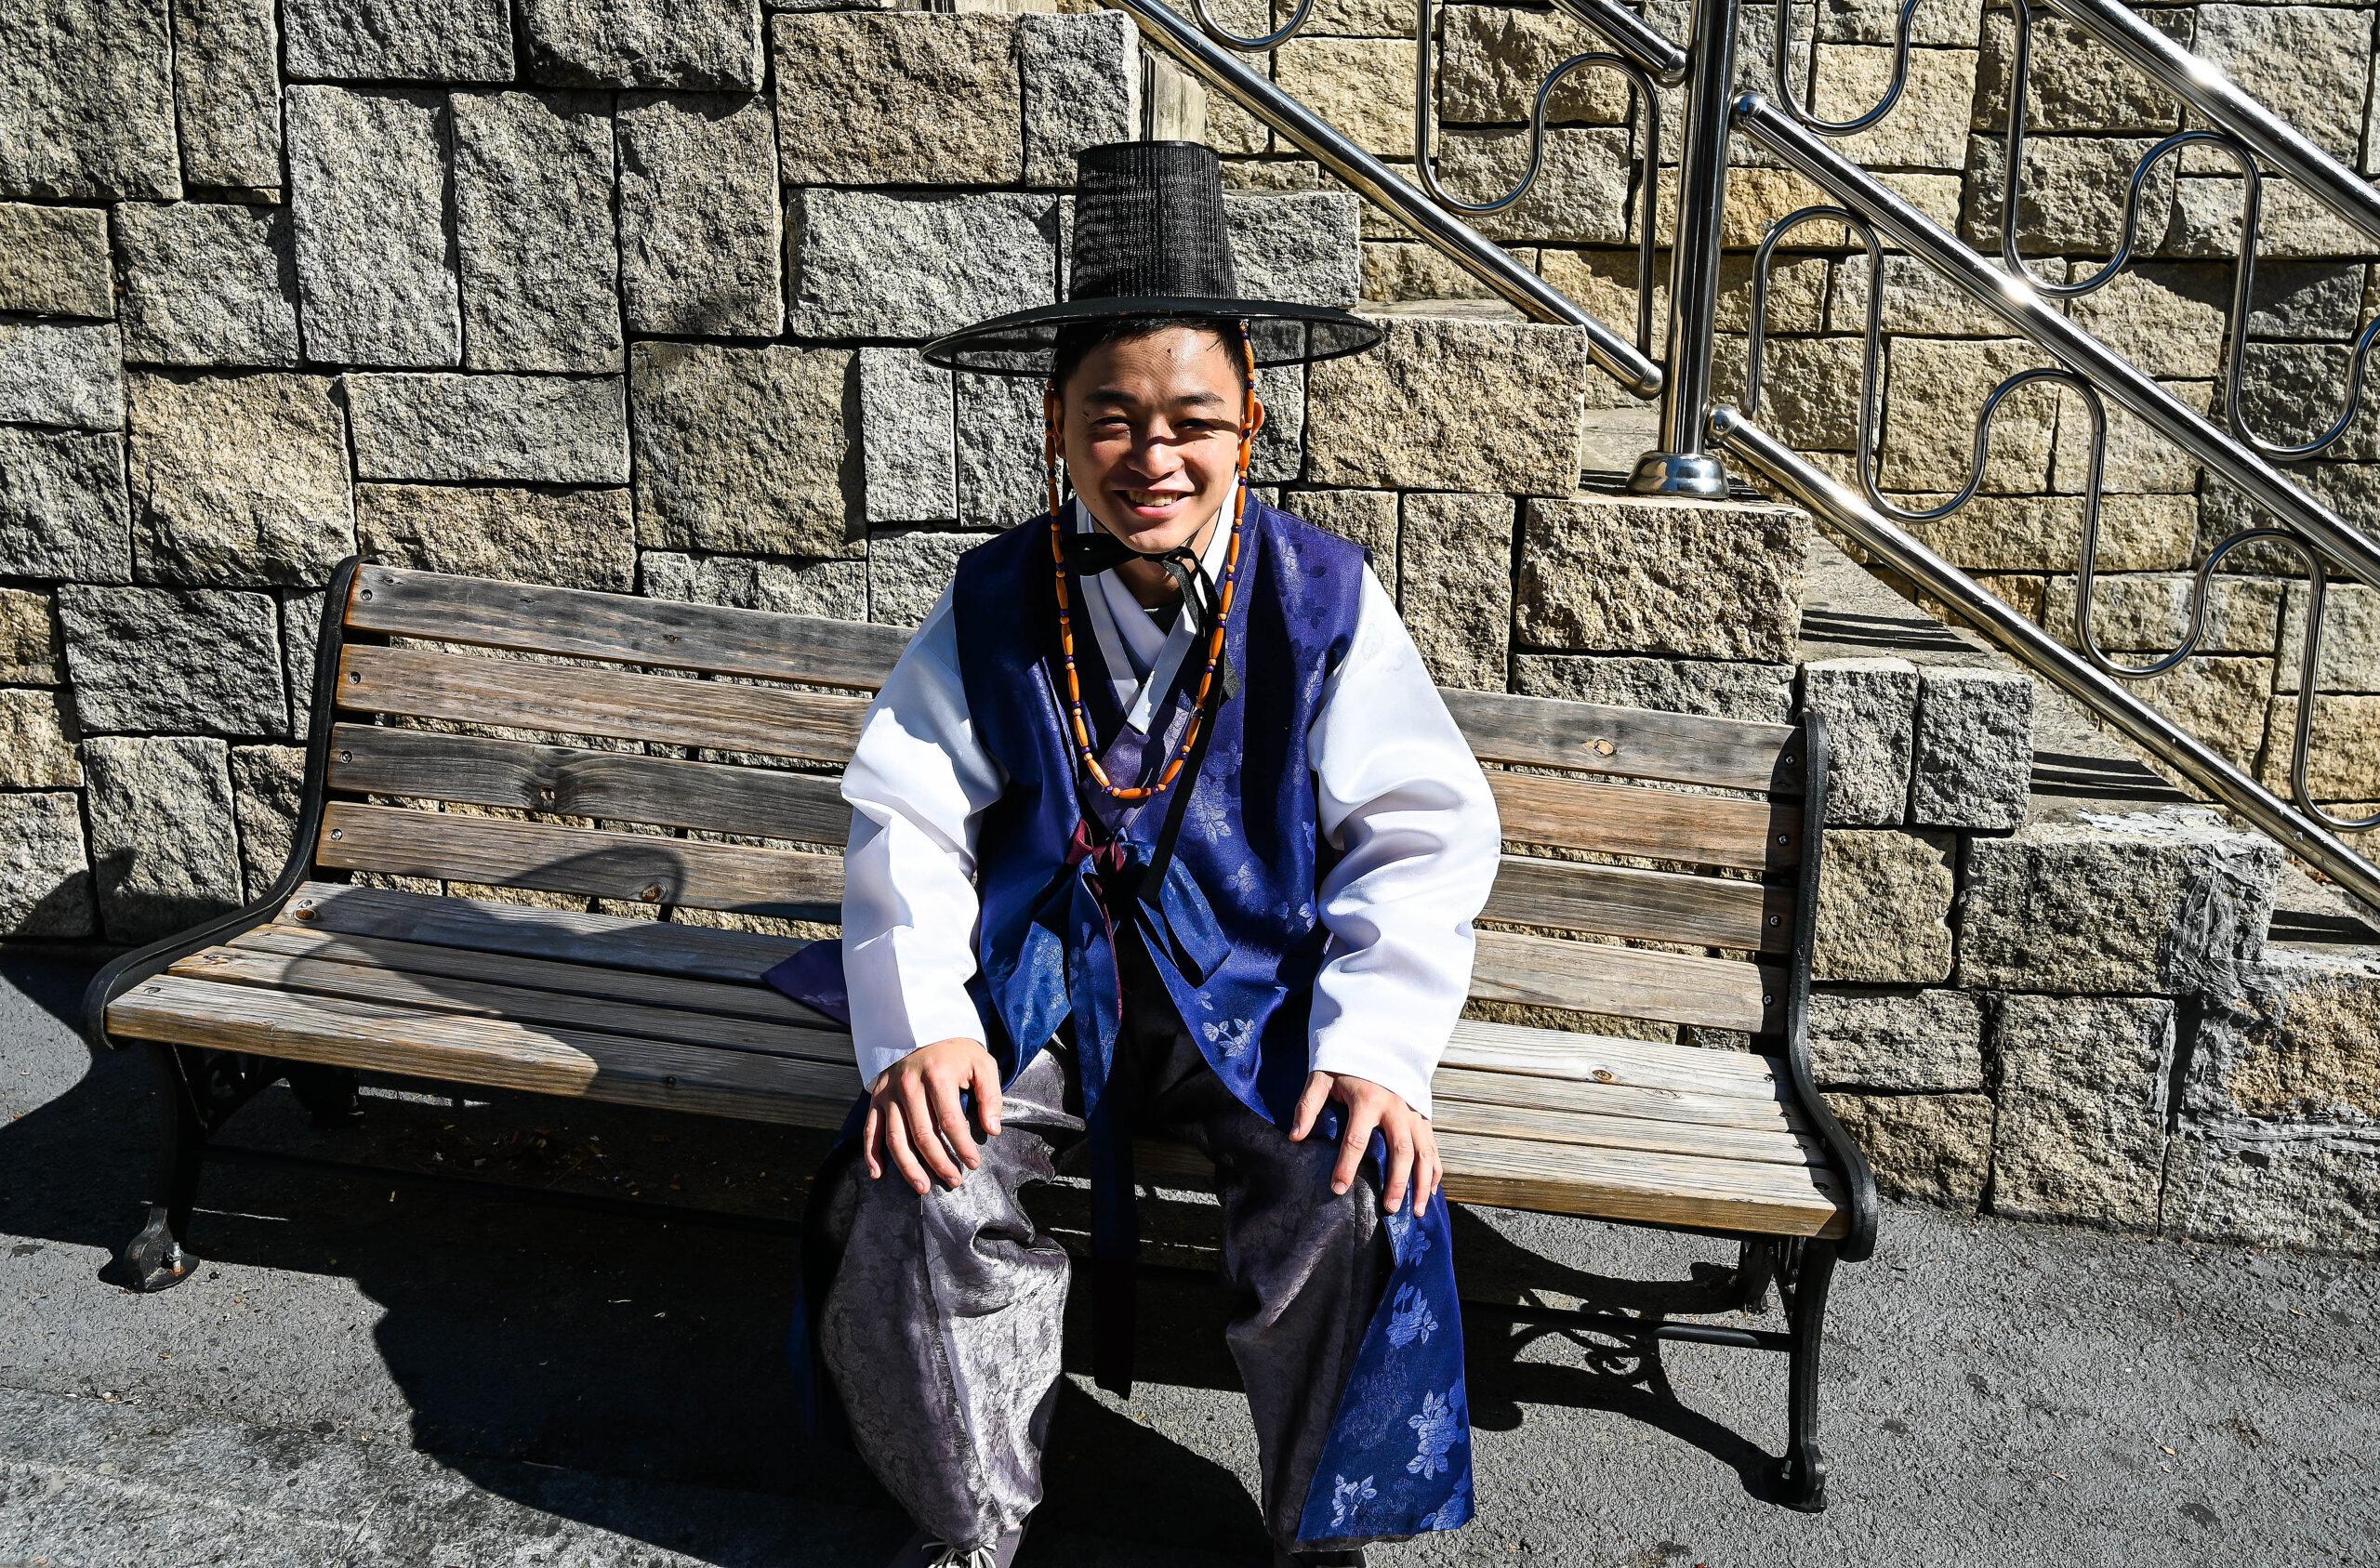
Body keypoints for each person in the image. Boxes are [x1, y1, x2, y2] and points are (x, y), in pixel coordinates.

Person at [761, 140, 1502, 1568]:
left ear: (1251, 425)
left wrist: (1380, 1044)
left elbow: (1423, 831)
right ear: (1056, 425)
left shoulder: (1323, 598)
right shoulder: (994, 596)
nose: (1152, 457)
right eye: (1113, 417)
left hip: (1256, 995)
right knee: (926, 1173)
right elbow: (905, 813)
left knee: (1352, 1185)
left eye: (1191, 421)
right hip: (1042, 989)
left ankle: (1319, 1529)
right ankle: (969, 1521)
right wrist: (917, 1028)